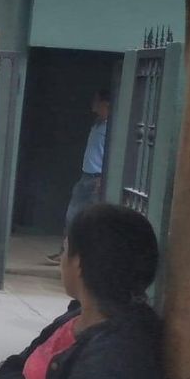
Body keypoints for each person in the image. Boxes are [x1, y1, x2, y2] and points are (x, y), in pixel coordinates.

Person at [0, 203, 162, 379]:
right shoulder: (76, 316)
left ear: (80, 263)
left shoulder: (118, 350)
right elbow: (10, 368)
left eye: (65, 249)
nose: (61, 260)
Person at [48, 90, 110, 263]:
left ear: (106, 104)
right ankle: (66, 253)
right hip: (86, 176)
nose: (94, 104)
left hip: (97, 178)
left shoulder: (111, 128)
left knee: (93, 220)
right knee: (72, 216)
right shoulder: (98, 123)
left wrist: (103, 177)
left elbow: (111, 154)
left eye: (97, 101)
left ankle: (88, 258)